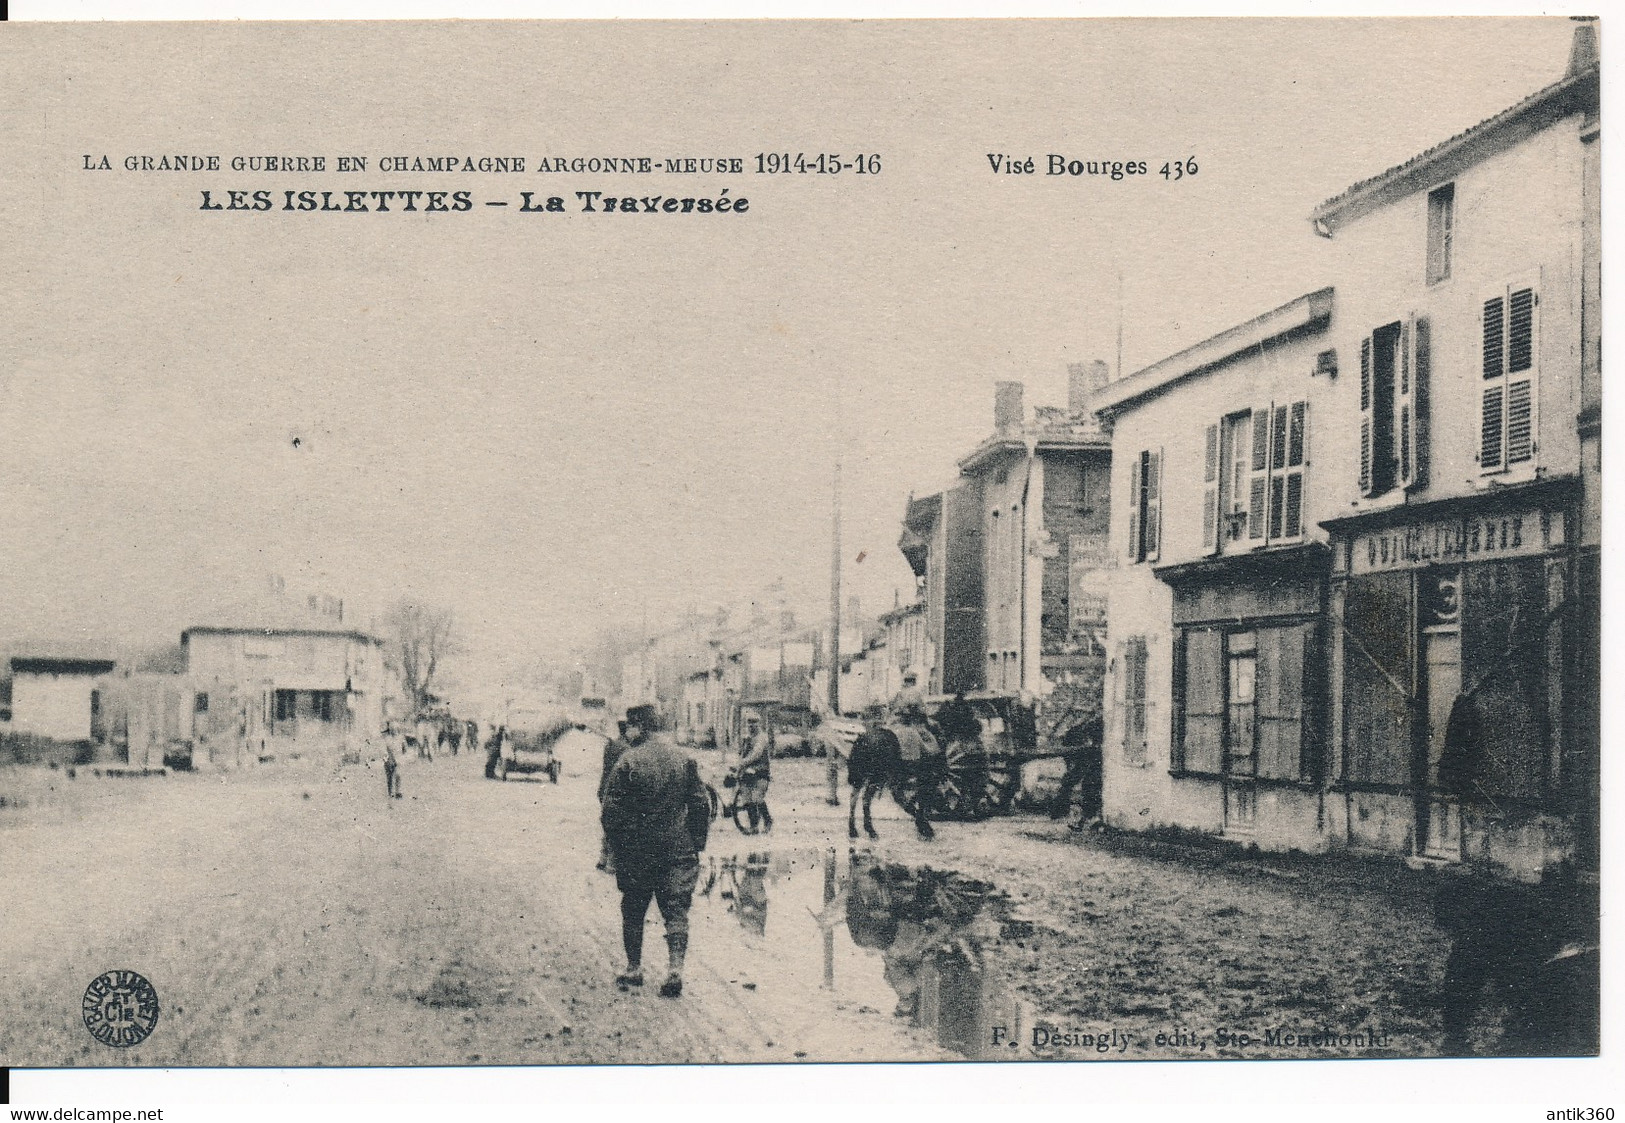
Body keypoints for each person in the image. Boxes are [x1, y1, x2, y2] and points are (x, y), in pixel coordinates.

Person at [600, 706, 711, 998]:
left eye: (630, 726)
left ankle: (634, 968)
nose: (627, 732)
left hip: (638, 851)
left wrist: (618, 845)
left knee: (634, 909)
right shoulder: (683, 758)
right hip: (677, 849)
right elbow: (701, 804)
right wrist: (695, 842)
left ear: (639, 726)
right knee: (676, 911)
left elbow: (610, 810)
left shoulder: (628, 761)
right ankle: (675, 969)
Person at [596, 710, 646, 873]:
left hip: (605, 789)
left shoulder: (611, 745)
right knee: (617, 826)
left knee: (608, 823)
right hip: (617, 791)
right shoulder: (625, 749)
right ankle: (612, 863)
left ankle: (603, 859)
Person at [737, 716, 773, 835]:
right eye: (749, 724)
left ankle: (768, 820)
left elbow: (756, 754)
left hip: (761, 773)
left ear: (759, 724)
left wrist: (744, 762)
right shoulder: (747, 738)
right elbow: (741, 754)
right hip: (748, 773)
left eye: (754, 724)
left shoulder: (762, 738)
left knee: (757, 798)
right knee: (747, 798)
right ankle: (754, 826)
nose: (751, 727)